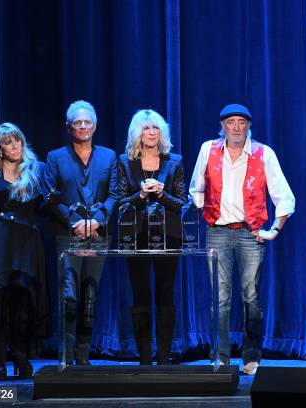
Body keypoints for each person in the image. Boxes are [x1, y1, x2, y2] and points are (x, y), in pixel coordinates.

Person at [189, 103, 295, 375]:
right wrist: (207, 208)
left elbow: (284, 196)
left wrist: (274, 229)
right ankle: (221, 357)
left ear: (248, 125)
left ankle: (251, 357)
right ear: (222, 126)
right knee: (220, 297)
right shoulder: (208, 150)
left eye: (241, 122)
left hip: (250, 233)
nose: (236, 127)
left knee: (251, 297)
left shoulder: (263, 153)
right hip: (218, 232)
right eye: (231, 122)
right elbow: (196, 189)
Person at [0, 123, 51, 380]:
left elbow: (44, 209)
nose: (15, 146)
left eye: (17, 141)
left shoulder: (37, 171)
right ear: (0, 147)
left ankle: (21, 356)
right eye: (8, 142)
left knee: (23, 302)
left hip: (27, 246)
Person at [44, 100, 119, 365]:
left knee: (90, 292)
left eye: (88, 122)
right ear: (69, 127)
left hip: (99, 234)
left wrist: (97, 220)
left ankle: (84, 352)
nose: (83, 126)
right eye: (78, 122)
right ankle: (66, 351)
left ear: (95, 125)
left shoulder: (109, 156)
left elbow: (115, 194)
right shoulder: (55, 157)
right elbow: (49, 197)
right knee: (69, 294)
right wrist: (74, 221)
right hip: (68, 234)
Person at [117, 109, 188, 364]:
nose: (151, 133)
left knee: (165, 291)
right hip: (134, 235)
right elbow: (120, 202)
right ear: (137, 133)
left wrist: (160, 193)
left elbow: (181, 203)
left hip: (168, 235)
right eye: (146, 128)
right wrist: (141, 195)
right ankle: (145, 355)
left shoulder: (174, 161)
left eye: (155, 128)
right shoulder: (125, 161)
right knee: (140, 292)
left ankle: (164, 355)